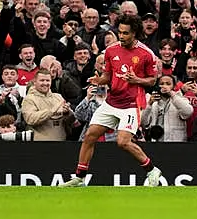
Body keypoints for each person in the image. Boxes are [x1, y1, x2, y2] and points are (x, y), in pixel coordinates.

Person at [61, 14, 161, 187]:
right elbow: (108, 76)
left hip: (131, 104)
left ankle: (152, 170)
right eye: (120, 32)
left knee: (122, 142)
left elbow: (152, 80)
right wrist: (99, 80)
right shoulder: (111, 50)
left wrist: (136, 80)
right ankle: (80, 177)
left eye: (126, 33)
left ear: (135, 33)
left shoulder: (146, 54)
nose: (121, 36)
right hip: (111, 102)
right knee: (89, 136)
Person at [141, 74, 193, 142]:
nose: (164, 86)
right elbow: (144, 123)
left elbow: (188, 112)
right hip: (156, 143)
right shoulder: (151, 101)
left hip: (176, 143)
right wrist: (149, 105)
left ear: (174, 86)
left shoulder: (180, 99)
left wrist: (172, 95)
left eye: (168, 84)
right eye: (162, 84)